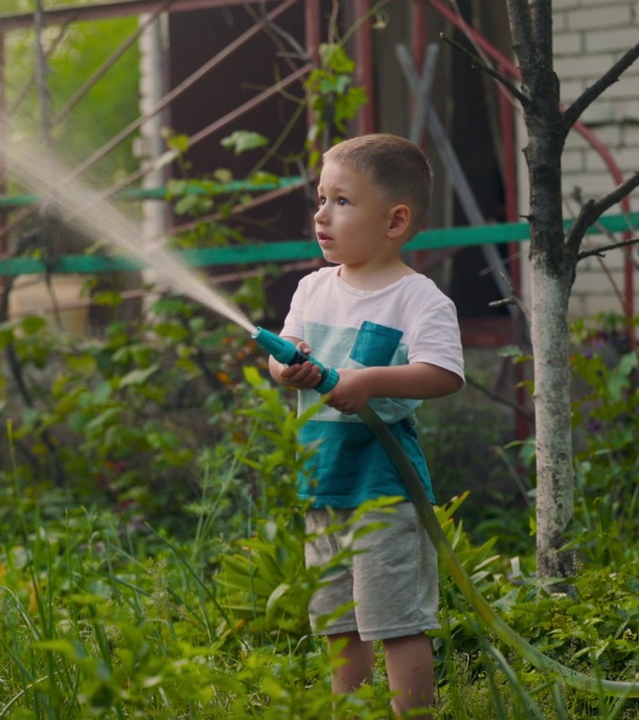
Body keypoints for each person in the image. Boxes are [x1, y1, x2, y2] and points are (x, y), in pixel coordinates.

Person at [267, 133, 465, 717]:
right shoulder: (312, 289)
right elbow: (281, 357)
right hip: (323, 484)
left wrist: (369, 380)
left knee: (396, 621)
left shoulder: (418, 299)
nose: (321, 214)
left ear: (396, 220)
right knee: (338, 622)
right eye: (321, 199)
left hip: (384, 491)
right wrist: (287, 363)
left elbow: (444, 373)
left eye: (342, 201)